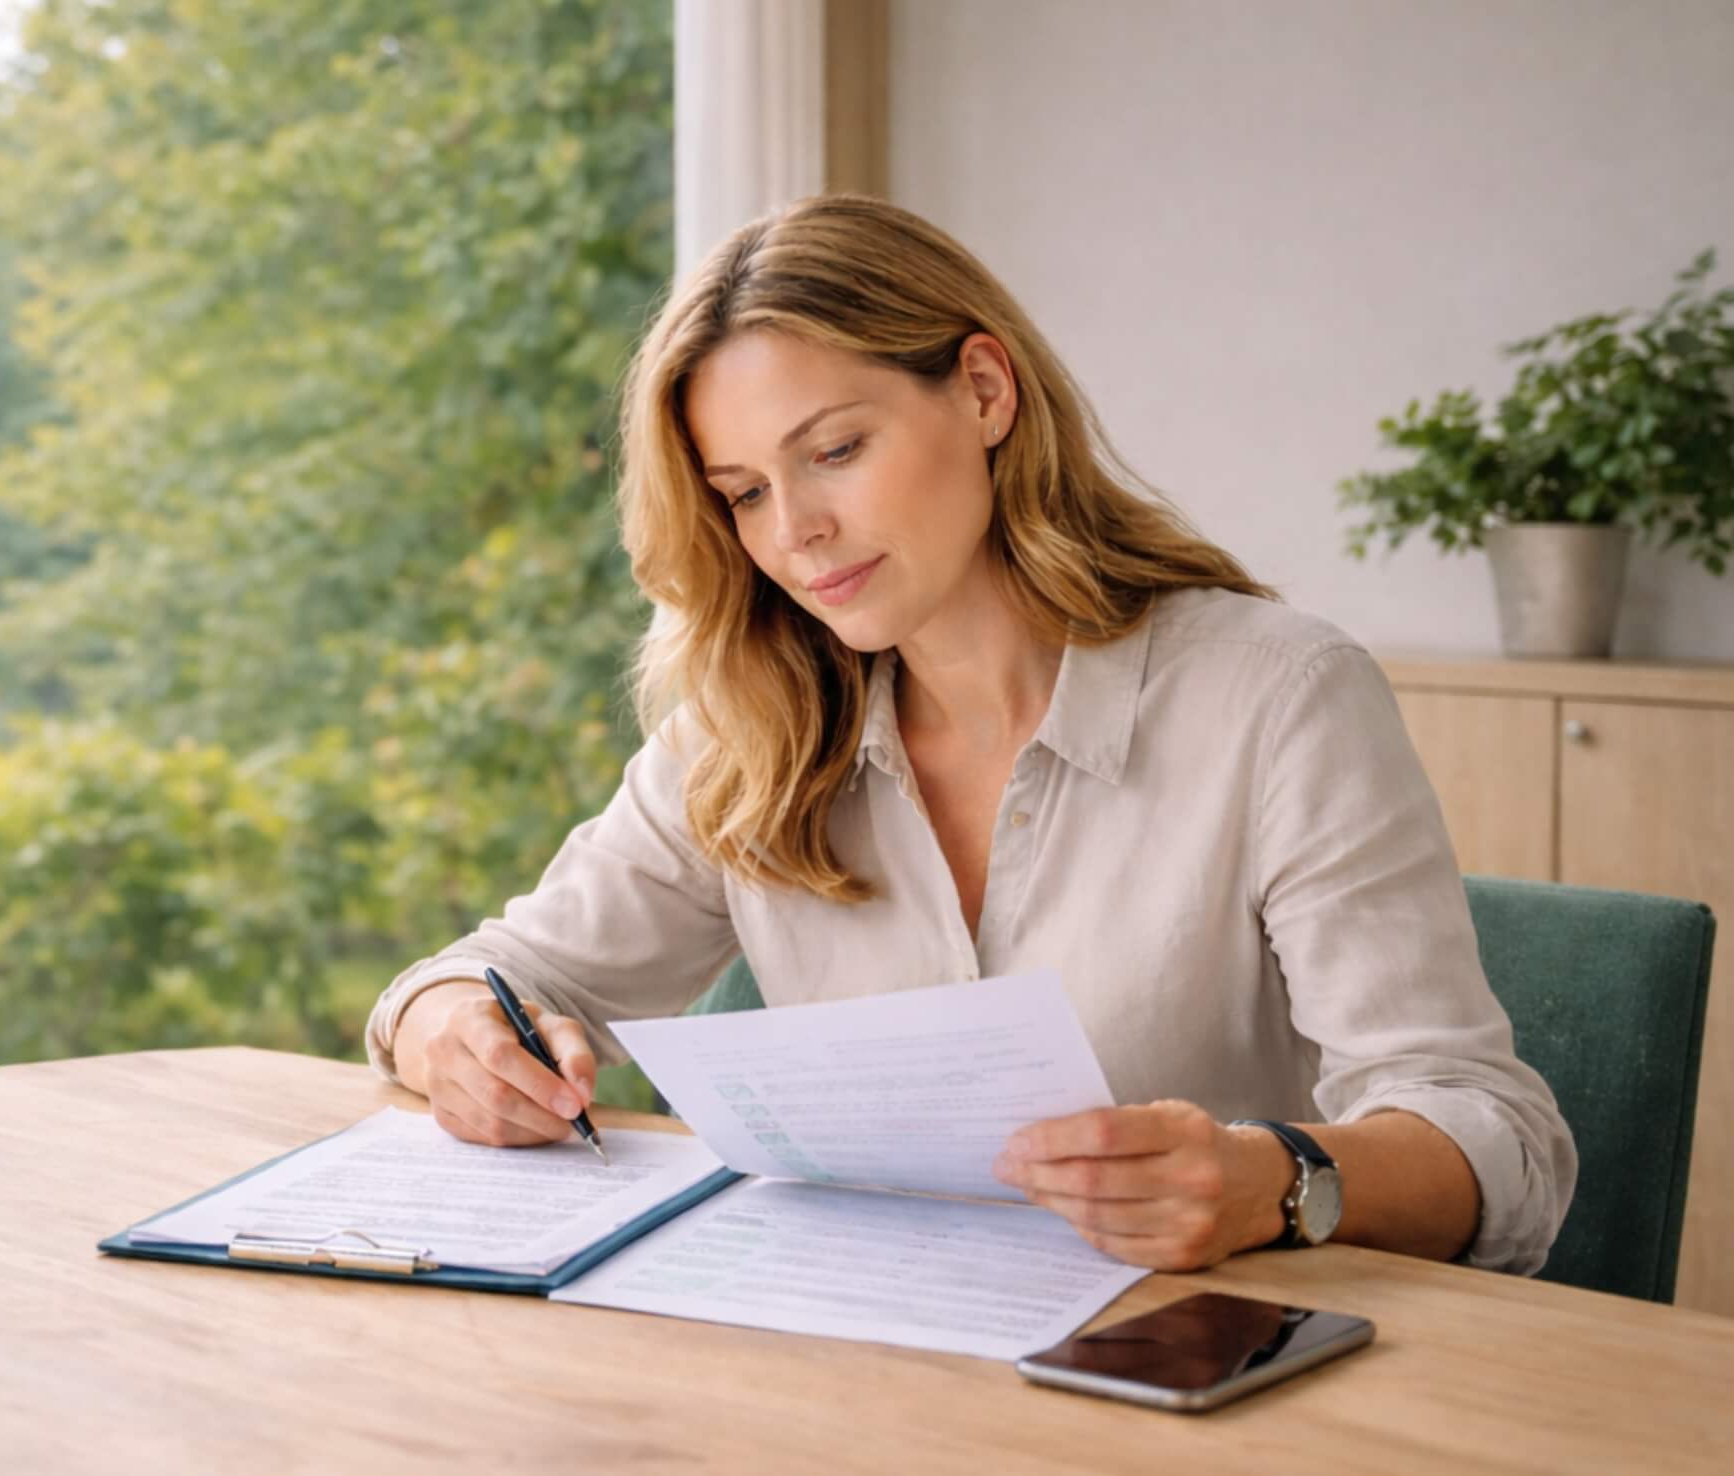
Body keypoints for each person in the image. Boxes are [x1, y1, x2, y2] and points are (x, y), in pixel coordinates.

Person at [368, 195, 1574, 1274]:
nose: (797, 533)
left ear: (986, 392)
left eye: (835, 450)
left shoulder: (1275, 698)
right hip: (877, 1373)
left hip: (1202, 1380)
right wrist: (454, 1036)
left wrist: (1273, 1179)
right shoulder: (748, 733)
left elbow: (1497, 1143)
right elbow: (491, 979)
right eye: (742, 493)